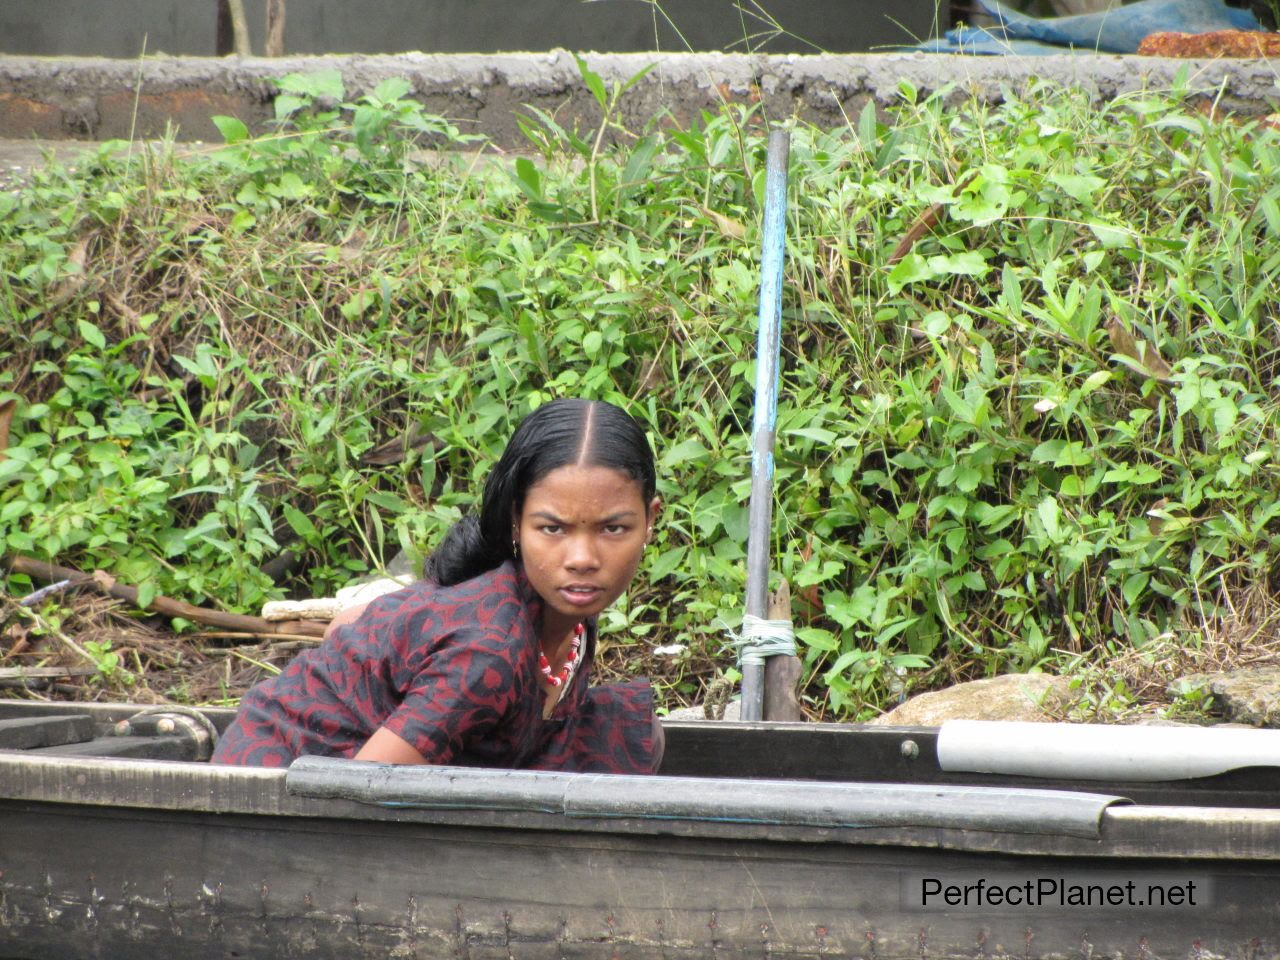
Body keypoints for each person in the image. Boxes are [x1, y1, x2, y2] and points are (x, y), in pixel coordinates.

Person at [211, 398, 664, 773]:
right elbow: (360, 790)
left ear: (650, 522)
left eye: (613, 529)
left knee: (628, 731)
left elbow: (347, 624)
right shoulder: (487, 653)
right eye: (552, 529)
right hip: (279, 787)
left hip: (361, 766)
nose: (582, 559)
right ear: (515, 523)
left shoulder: (556, 608)